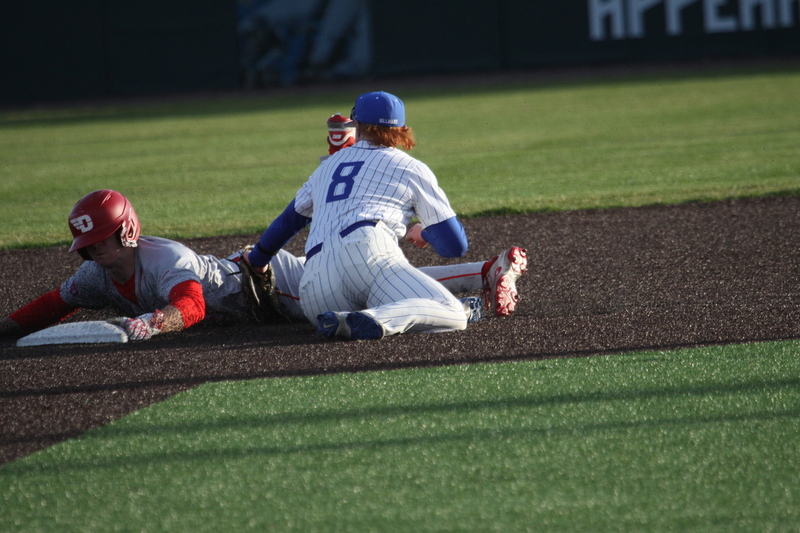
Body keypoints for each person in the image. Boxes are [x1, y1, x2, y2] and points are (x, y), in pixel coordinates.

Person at [0, 188, 523, 341]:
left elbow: (193, 304)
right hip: (261, 295)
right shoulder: (94, 274)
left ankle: (471, 299)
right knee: (368, 291)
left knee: (365, 298)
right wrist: (8, 327)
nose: (93, 254)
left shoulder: (167, 259)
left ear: (129, 231)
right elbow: (53, 304)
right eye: (86, 248)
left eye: (101, 244)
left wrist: (151, 323)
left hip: (274, 289)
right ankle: (481, 275)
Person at [243, 91, 527, 341]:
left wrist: (256, 263)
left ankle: (350, 322)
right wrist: (424, 233)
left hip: (315, 287)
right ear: (403, 129)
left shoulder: (326, 169)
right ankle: (378, 320)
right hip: (368, 252)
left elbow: (287, 222)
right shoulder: (410, 167)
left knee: (387, 285)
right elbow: (454, 246)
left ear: (357, 125)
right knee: (454, 314)